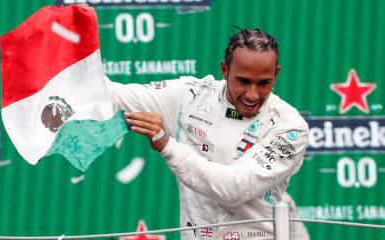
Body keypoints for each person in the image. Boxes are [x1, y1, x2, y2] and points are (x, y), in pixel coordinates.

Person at [105, 28, 310, 240]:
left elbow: (233, 188)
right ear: (224, 70)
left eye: (264, 83)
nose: (252, 94)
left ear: (276, 74)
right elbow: (112, 95)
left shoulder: (290, 127)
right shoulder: (191, 96)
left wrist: (167, 146)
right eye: (243, 81)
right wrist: (81, 46)